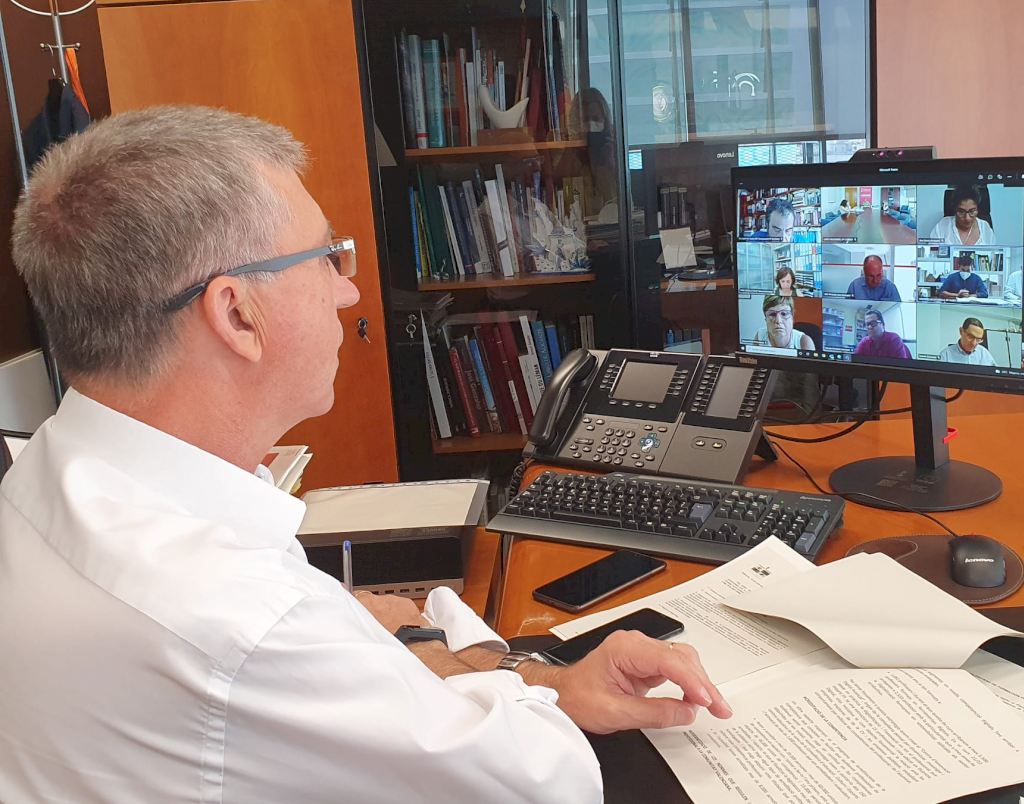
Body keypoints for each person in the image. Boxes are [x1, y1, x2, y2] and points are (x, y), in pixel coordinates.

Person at [0, 106, 731, 801]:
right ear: (237, 314)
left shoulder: (40, 473)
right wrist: (438, 646)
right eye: (326, 257)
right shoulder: (246, 622)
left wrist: (429, 650)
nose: (348, 291)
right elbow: (545, 779)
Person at [928, 188, 995, 245]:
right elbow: (931, 253)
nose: (967, 218)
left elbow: (993, 254)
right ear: (955, 209)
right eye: (961, 212)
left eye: (972, 211)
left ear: (977, 209)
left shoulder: (985, 228)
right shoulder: (942, 226)